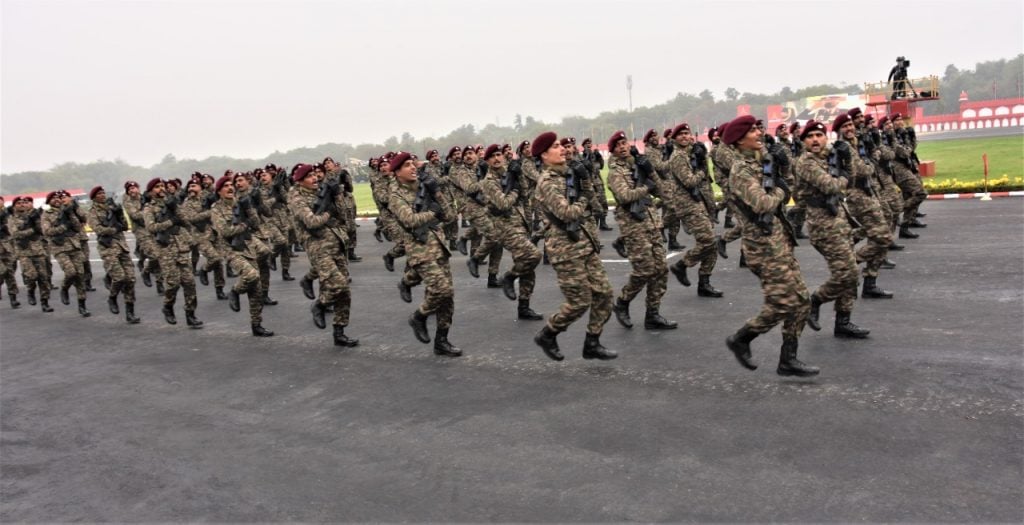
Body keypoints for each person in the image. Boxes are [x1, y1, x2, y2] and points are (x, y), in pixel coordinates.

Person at [722, 115, 818, 377]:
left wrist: (781, 167)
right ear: (740, 140)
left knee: (801, 301)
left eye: (757, 129)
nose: (758, 133)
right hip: (762, 247)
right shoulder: (740, 171)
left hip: (779, 241)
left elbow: (785, 180)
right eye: (753, 131)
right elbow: (763, 203)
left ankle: (788, 359)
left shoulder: (761, 162)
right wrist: (779, 190)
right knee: (784, 303)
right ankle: (742, 338)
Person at [531, 132, 617, 362]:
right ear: (544, 155)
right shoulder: (547, 183)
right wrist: (584, 195)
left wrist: (584, 181)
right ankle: (548, 333)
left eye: (562, 146)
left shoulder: (567, 175)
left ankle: (592, 342)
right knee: (579, 302)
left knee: (605, 294)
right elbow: (568, 214)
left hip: (584, 245)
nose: (563, 150)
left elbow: (588, 203)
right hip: (565, 250)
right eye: (556, 147)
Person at [792, 121, 870, 339]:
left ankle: (843, 322)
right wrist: (844, 172)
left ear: (826, 138)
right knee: (848, 274)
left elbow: (854, 177)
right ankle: (815, 300)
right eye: (810, 136)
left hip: (840, 221)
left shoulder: (830, 156)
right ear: (803, 141)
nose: (815, 140)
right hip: (823, 226)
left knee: (849, 274)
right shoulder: (805, 163)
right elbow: (832, 186)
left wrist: (847, 159)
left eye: (819, 135)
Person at [388, 152, 461, 357]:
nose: (413, 168)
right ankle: (419, 317)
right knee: (442, 290)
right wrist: (432, 213)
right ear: (396, 172)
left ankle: (442, 341)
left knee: (447, 298)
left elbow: (449, 216)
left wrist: (436, 192)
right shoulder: (395, 195)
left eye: (413, 164)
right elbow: (410, 220)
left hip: (439, 247)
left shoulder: (424, 187)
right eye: (407, 165)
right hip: (419, 250)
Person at [605, 131, 677, 331]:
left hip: (652, 223)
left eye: (624, 143)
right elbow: (625, 195)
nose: (623, 147)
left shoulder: (638, 166)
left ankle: (652, 314)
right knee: (644, 270)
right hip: (633, 226)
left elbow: (662, 191)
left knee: (661, 270)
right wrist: (645, 187)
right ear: (612, 150)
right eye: (618, 145)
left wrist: (650, 171)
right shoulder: (615, 173)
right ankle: (623, 302)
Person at [287, 164, 359, 346]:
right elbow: (312, 222)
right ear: (300, 180)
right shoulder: (296, 197)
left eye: (315, 175)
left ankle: (339, 332)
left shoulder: (323, 191)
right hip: (317, 246)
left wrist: (336, 196)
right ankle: (320, 305)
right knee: (339, 285)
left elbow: (344, 215)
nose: (315, 179)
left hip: (336, 242)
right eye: (310, 176)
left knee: (345, 292)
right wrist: (328, 212)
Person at [478, 144, 544, 320]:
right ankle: (510, 276)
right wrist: (514, 189)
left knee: (527, 266)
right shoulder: (488, 182)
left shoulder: (509, 174)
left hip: (520, 223)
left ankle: (524, 307)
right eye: (492, 157)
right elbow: (504, 204)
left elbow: (525, 193)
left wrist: (519, 175)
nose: (497, 159)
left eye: (499, 155)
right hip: (505, 228)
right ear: (487, 161)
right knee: (534, 255)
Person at [833, 112, 894, 299]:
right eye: (845, 126)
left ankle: (870, 282)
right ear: (838, 131)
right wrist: (871, 160)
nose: (850, 129)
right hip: (857, 196)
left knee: (880, 237)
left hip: (868, 193)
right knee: (882, 237)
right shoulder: (842, 148)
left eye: (850, 125)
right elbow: (863, 170)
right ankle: (850, 264)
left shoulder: (855, 144)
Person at [661, 123, 723, 298]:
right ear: (674, 138)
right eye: (680, 134)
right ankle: (682, 265)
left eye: (686, 133)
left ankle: (704, 282)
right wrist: (702, 170)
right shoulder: (678, 157)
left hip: (699, 203)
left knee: (711, 246)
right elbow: (689, 181)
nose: (684, 136)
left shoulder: (690, 154)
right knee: (709, 242)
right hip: (688, 205)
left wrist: (701, 159)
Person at [143, 178, 203, 328]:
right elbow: (151, 227)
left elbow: (185, 221)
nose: (161, 189)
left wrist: (175, 208)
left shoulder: (172, 203)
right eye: (157, 187)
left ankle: (191, 314)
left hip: (180, 246)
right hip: (165, 249)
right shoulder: (149, 209)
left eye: (162, 186)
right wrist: (170, 222)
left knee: (189, 282)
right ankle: (168, 306)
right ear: (151, 192)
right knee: (173, 283)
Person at [86, 186, 141, 323]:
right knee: (119, 277)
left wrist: (119, 213)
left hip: (121, 246)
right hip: (108, 247)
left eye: (103, 192)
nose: (102, 195)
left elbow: (124, 226)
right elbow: (98, 229)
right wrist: (112, 228)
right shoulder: (92, 212)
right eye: (99, 193)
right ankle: (112, 297)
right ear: (94, 197)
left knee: (130, 279)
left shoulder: (112, 207)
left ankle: (130, 312)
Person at [41, 191, 91, 316]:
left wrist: (71, 213)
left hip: (74, 246)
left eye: (59, 198)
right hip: (60, 248)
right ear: (49, 201)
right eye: (53, 198)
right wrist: (63, 227)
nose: (57, 200)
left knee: (80, 275)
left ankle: (82, 305)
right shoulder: (46, 214)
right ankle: (64, 288)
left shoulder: (68, 211)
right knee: (71, 272)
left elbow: (78, 226)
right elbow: (47, 231)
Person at [8, 197, 53, 312]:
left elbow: (42, 230)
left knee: (43, 277)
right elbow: (15, 234)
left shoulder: (34, 216)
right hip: (24, 252)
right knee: (31, 275)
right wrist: (32, 230)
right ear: (14, 206)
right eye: (18, 203)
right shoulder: (12, 219)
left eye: (24, 203)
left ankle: (45, 302)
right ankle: (31, 290)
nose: (22, 205)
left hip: (38, 250)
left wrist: (36, 221)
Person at [0, 196, 20, 309]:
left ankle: (13, 298)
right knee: (2, 271)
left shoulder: (8, 213)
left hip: (8, 247)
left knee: (10, 273)